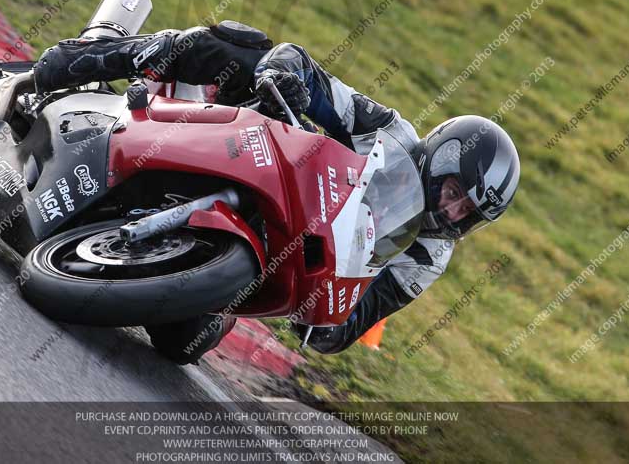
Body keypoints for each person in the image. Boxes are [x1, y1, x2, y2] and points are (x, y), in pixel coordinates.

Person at [33, 20, 520, 363]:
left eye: (467, 214)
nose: (451, 210)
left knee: (183, 345)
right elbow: (306, 68)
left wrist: (328, 321)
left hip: (277, 252)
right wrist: (284, 76)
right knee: (233, 45)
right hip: (266, 149)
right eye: (454, 190)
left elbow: (351, 324)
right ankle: (88, 58)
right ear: (438, 159)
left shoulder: (430, 257)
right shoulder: (390, 133)